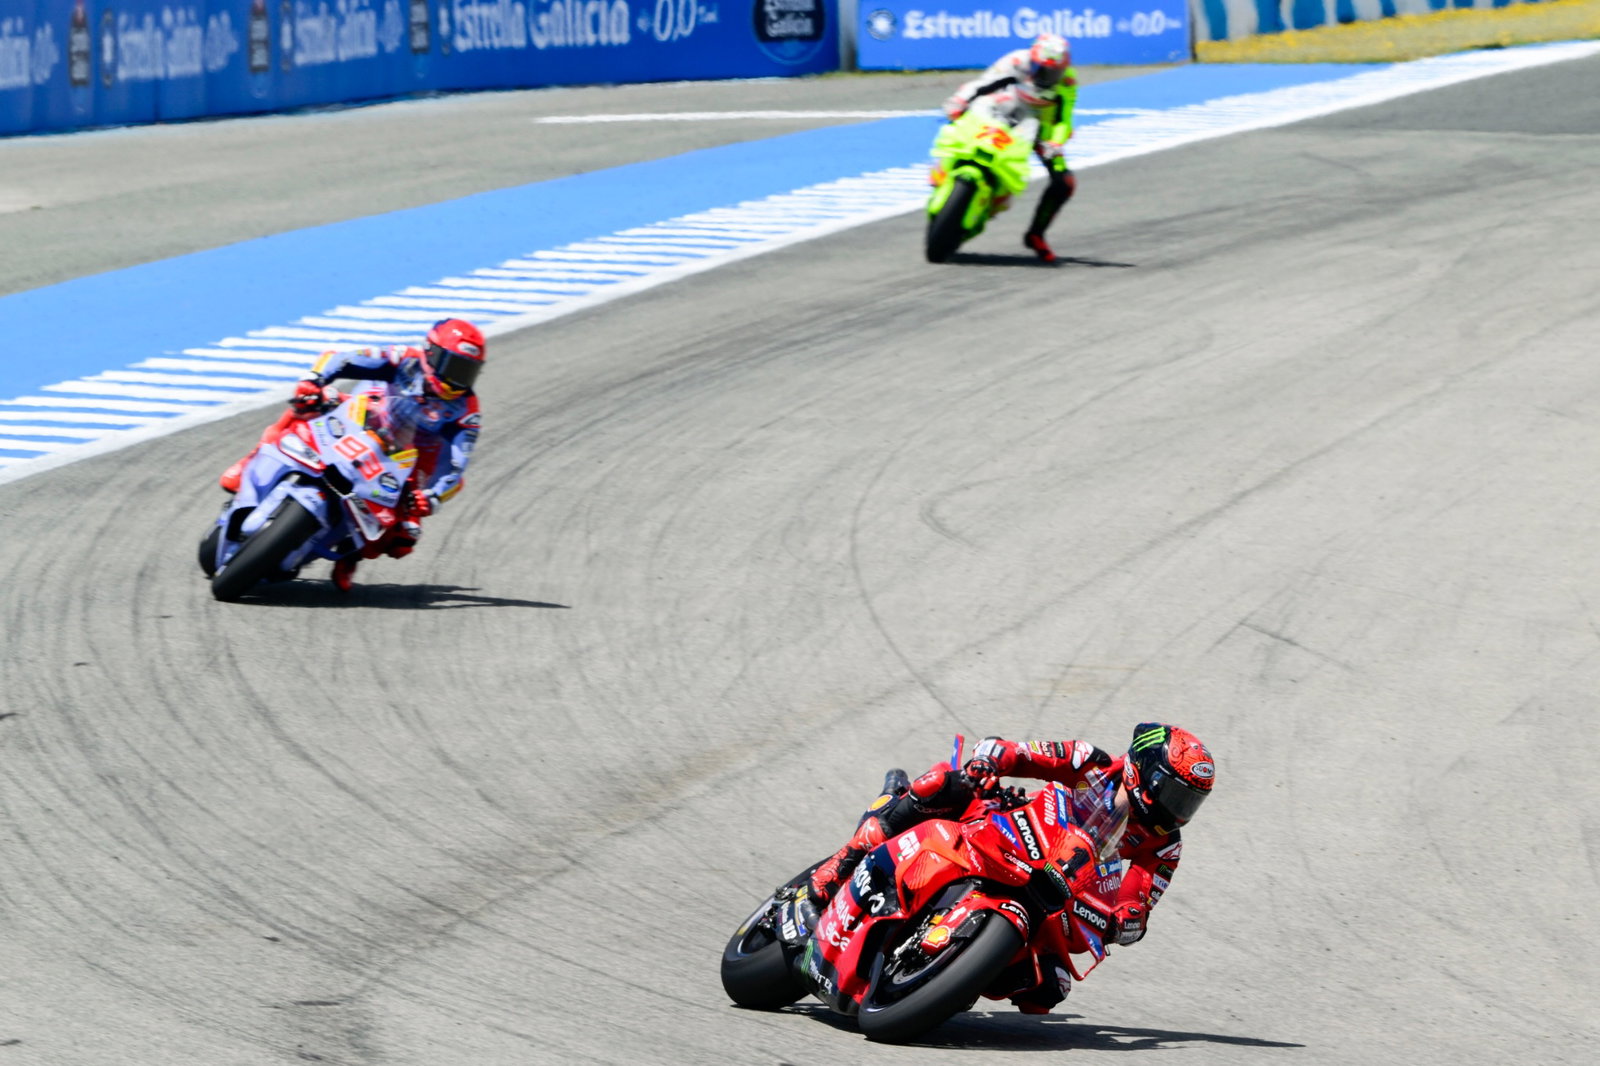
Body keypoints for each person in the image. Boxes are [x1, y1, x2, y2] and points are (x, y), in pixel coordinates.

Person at [804, 722, 1214, 1014]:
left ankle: (949, 973)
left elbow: (1138, 900)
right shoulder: (1089, 762)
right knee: (940, 784)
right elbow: (1018, 752)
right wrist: (989, 761)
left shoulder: (1165, 846)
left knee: (1048, 988)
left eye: (1189, 802)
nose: (1178, 810)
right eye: (1174, 793)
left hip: (1058, 888)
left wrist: (1127, 921)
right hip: (1011, 830)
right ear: (1143, 770)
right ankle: (842, 864)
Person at [218, 317, 486, 591]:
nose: (459, 379)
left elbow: (457, 468)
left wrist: (432, 497)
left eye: (468, 372)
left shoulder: (467, 410)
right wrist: (314, 379)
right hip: (364, 415)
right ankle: (252, 459)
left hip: (411, 459)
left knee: (403, 538)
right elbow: (341, 358)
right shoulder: (404, 359)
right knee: (308, 403)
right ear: (432, 353)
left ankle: (350, 554)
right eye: (455, 367)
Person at [942, 32, 1078, 263]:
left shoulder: (1067, 81)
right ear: (1032, 61)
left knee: (1065, 182)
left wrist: (1055, 143)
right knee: (958, 120)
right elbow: (983, 83)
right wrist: (959, 101)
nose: (1047, 76)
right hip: (1004, 106)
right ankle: (945, 169)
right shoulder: (1016, 61)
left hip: (1040, 123)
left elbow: (1064, 120)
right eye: (1042, 69)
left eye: (1053, 72)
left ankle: (1036, 235)